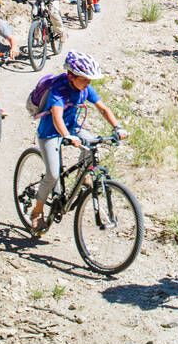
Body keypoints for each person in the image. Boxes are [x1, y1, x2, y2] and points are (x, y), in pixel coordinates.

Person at [29, 52, 126, 231]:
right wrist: (66, 135)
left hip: (73, 129)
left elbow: (103, 109)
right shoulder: (59, 89)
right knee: (52, 174)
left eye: (90, 80)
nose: (88, 84)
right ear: (71, 76)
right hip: (50, 133)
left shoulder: (85, 88)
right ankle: (37, 211)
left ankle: (84, 175)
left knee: (92, 144)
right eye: (84, 80)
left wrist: (117, 127)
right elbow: (57, 116)